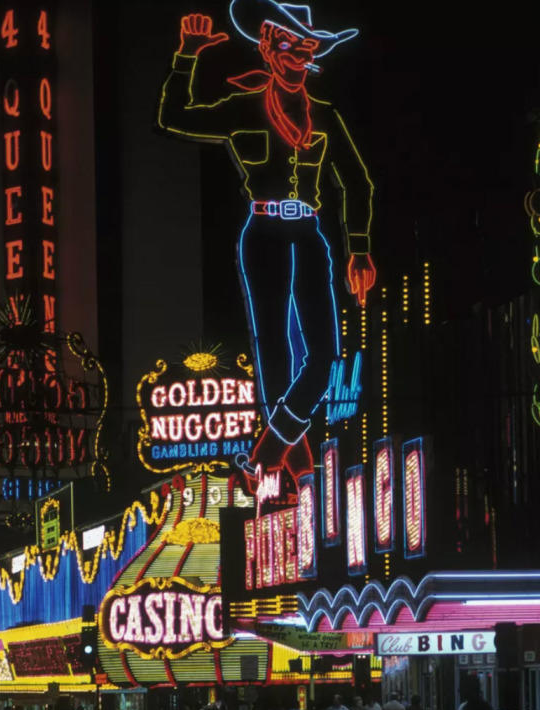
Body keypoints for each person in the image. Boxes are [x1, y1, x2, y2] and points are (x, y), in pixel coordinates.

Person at [157, 2, 377, 498]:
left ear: (314, 52)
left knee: (323, 357)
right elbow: (172, 118)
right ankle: (299, 477)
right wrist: (187, 57)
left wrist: (359, 249)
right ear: (267, 49)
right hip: (263, 233)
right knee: (272, 353)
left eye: (304, 46)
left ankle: (261, 459)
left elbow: (357, 183)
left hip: (311, 235)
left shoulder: (324, 115)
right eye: (284, 44)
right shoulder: (246, 105)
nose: (295, 54)